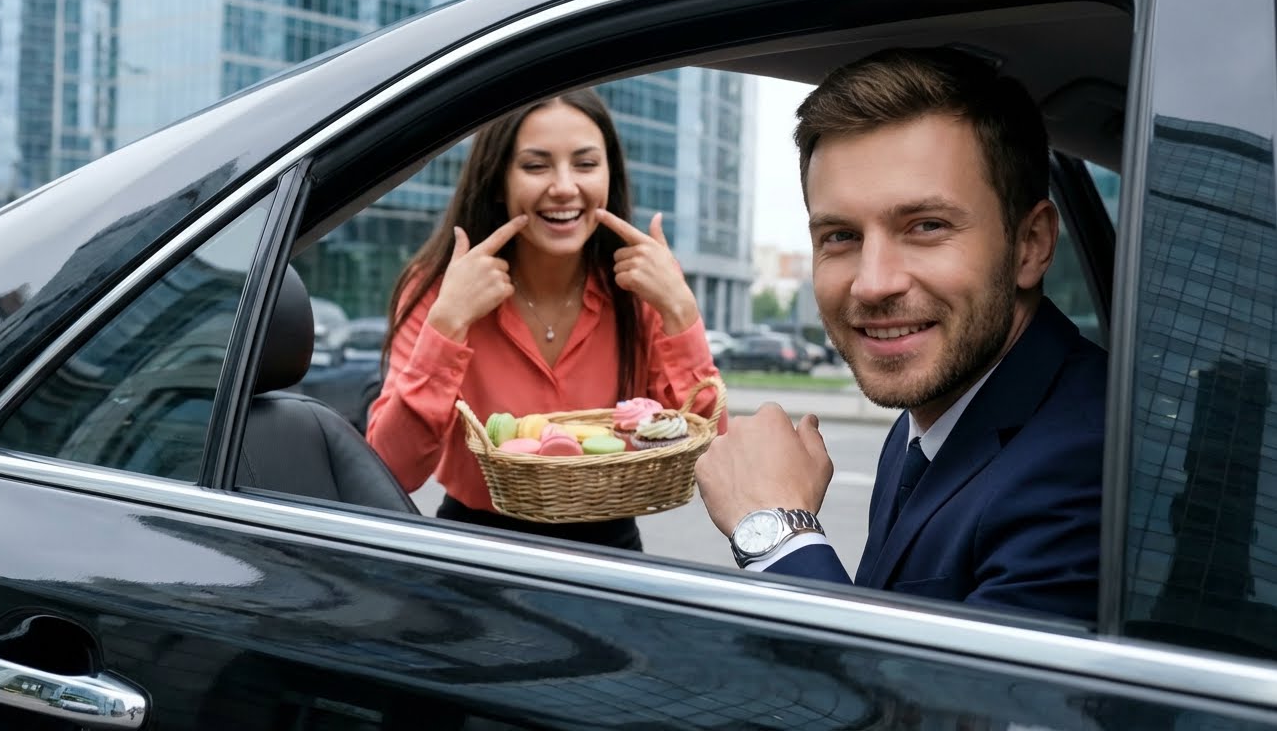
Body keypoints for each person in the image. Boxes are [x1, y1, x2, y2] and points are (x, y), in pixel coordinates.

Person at [695, 47, 1105, 621]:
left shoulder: (1088, 467)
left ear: (1030, 244)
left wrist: (776, 533)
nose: (872, 284)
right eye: (839, 236)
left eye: (927, 226)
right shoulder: (933, 412)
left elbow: (935, 709)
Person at [368, 88, 724, 551]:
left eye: (585, 164)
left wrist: (681, 312)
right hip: (473, 547)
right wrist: (448, 325)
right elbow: (392, 469)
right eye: (536, 166)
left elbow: (713, 459)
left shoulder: (644, 288)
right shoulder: (441, 286)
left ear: (609, 175)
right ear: (499, 179)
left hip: (610, 552)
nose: (563, 186)